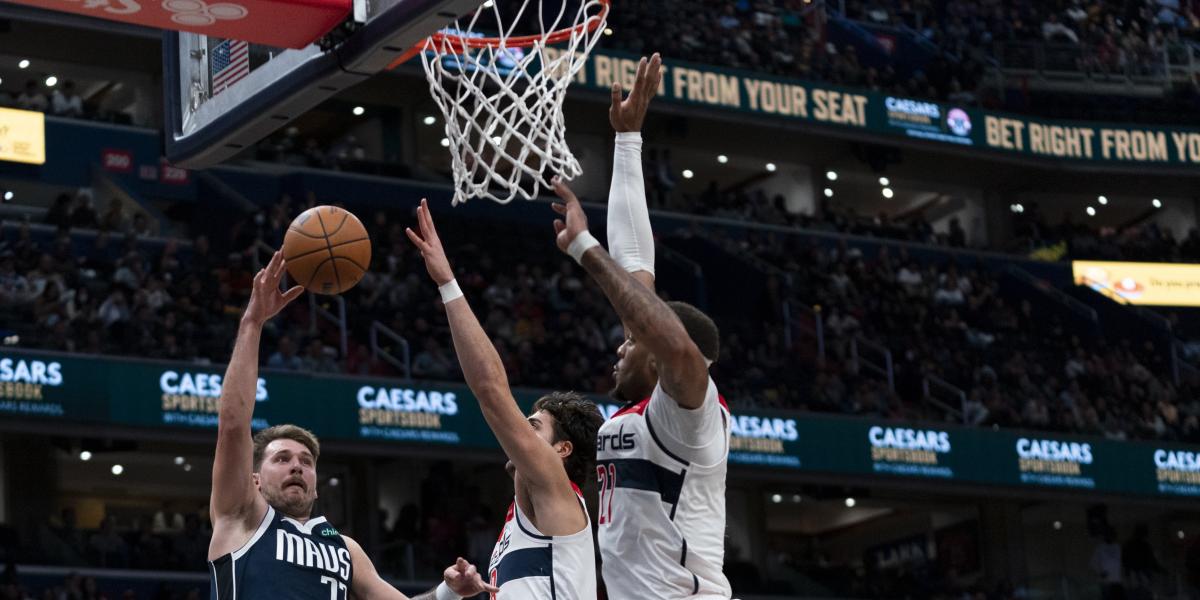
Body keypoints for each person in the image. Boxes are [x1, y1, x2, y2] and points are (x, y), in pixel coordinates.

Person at [207, 251, 496, 600]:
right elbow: (235, 423)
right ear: (253, 479)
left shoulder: (345, 549)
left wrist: (449, 592)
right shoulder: (240, 516)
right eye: (281, 459)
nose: (297, 465)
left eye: (306, 461)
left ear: (316, 487)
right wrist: (252, 324)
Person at [551, 53, 732, 600]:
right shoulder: (647, 404)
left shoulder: (692, 414)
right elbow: (637, 271)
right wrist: (628, 140)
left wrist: (584, 247)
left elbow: (672, 342)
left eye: (632, 339)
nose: (619, 341)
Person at [407, 200, 602, 599]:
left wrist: (447, 284)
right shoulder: (520, 522)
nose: (520, 431)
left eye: (534, 426)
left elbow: (491, 391)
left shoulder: (553, 485)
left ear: (561, 449)